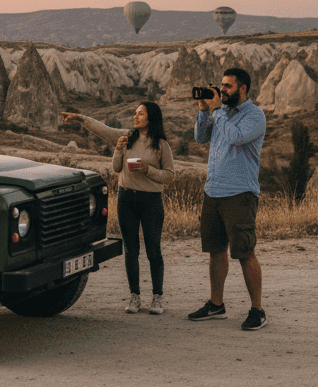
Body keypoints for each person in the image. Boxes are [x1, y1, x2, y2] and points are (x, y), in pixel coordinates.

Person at [62, 103, 175, 314]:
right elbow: (103, 131)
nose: (135, 116)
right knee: (131, 251)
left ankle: (157, 297)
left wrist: (147, 170)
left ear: (151, 118)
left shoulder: (162, 146)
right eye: (135, 113)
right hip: (126, 199)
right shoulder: (125, 137)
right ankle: (134, 296)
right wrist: (82, 119)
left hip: (151, 201)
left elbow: (169, 176)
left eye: (140, 113)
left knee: (153, 251)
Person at [188, 67, 268, 331]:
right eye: (221, 85)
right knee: (215, 250)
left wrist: (216, 110)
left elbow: (235, 138)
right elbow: (200, 137)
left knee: (245, 252)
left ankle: (257, 310)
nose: (222, 90)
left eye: (228, 86)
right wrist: (204, 110)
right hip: (213, 191)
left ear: (243, 88)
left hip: (239, 194)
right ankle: (216, 304)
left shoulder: (254, 115)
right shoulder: (220, 113)